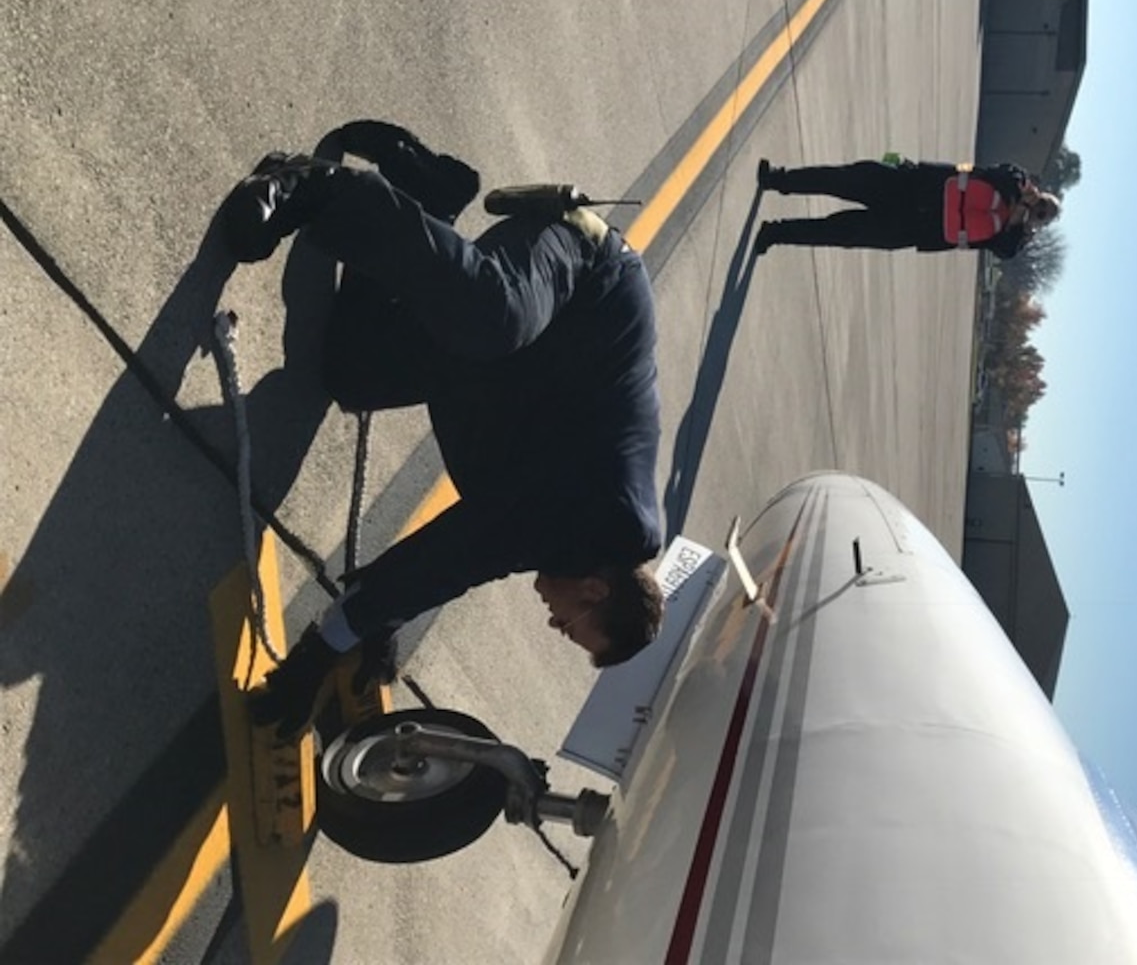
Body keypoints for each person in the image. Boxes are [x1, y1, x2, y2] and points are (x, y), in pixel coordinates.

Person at [213, 123, 665, 740]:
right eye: (570, 625)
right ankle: (317, 189)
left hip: (514, 373)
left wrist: (383, 619)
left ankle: (422, 191)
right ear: (594, 589)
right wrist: (319, 653)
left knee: (352, 375)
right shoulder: (610, 519)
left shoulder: (575, 539)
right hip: (580, 274)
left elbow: (470, 551)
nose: (553, 623)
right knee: (494, 318)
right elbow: (467, 554)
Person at [752, 157, 1060, 259]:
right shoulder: (1015, 180)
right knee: (840, 179)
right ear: (1041, 194)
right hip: (912, 184)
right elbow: (997, 172)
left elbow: (1005, 251)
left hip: (912, 229)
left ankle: (774, 233)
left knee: (838, 232)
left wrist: (1018, 222)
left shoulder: (1014, 239)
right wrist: (1021, 196)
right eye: (1043, 204)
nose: (1038, 210)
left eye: (1042, 216)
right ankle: (777, 179)